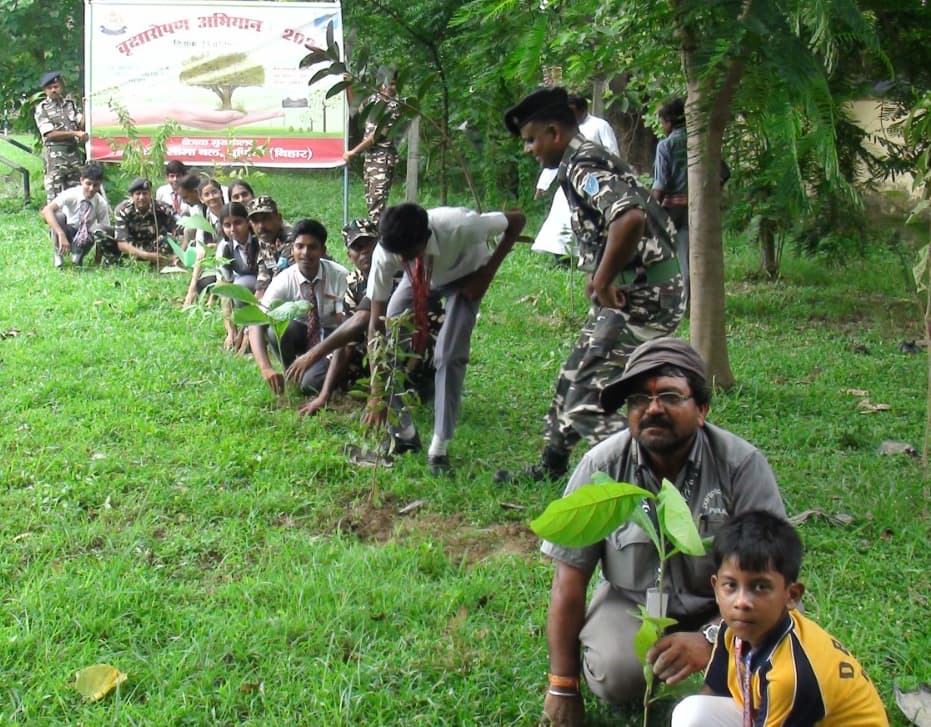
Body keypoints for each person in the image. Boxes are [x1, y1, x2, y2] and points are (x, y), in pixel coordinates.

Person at [537, 337, 786, 726]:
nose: (652, 408)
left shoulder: (741, 466)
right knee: (616, 672)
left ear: (701, 409)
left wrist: (711, 641)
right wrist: (562, 685)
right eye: (639, 398)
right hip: (633, 603)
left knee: (772, 662)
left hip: (727, 609)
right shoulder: (602, 467)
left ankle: (721, 671)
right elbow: (568, 583)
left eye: (670, 395)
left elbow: (772, 579)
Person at [498, 86, 684, 484]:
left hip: (645, 298)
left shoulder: (582, 165)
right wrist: (600, 271)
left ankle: (655, 477)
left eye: (531, 140)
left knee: (586, 399)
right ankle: (551, 466)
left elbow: (629, 218)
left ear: (554, 132)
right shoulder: (579, 160)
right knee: (572, 377)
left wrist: (601, 279)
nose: (529, 149)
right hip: (630, 290)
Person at [671, 511, 889, 727]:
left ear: (791, 595)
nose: (742, 602)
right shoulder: (730, 631)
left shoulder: (791, 675)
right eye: (731, 586)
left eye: (760, 587)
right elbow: (712, 694)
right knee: (692, 713)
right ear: (716, 589)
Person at [362, 203, 526, 474]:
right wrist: (377, 391)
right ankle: (405, 434)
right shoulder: (390, 251)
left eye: (409, 253)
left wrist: (486, 275)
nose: (402, 259)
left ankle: (439, 448)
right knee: (390, 331)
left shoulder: (462, 226)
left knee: (449, 355)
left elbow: (518, 221)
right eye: (399, 256)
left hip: (467, 277)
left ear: (425, 238)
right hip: (420, 279)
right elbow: (375, 323)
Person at [248, 219, 348, 398]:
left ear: (323, 251)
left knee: (309, 386)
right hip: (303, 334)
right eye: (299, 246)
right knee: (275, 330)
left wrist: (315, 356)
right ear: (292, 249)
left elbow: (347, 328)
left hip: (333, 340)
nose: (305, 253)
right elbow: (256, 322)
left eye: (312, 247)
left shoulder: (340, 276)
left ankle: (326, 373)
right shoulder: (283, 280)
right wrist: (266, 368)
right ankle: (291, 371)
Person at [532, 93, 620, 261]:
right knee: (561, 220)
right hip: (568, 181)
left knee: (588, 220)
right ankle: (561, 258)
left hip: (592, 182)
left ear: (582, 110)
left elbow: (613, 154)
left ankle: (589, 257)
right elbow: (557, 156)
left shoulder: (600, 126)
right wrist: (543, 184)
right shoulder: (565, 130)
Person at [343, 66, 402, 225]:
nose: (391, 88)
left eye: (395, 84)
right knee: (372, 204)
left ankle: (379, 244)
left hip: (382, 160)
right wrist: (347, 84)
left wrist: (353, 152)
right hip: (370, 159)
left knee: (377, 209)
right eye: (388, 83)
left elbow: (374, 137)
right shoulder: (374, 101)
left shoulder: (394, 107)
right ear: (380, 84)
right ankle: (375, 242)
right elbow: (355, 108)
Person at [652, 97, 690, 302]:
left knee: (670, 257)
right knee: (688, 254)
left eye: (662, 122)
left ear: (668, 121)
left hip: (672, 210)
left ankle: (676, 300)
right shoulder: (700, 141)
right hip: (695, 208)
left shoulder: (666, 146)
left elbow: (661, 184)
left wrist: (648, 209)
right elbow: (723, 173)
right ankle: (690, 298)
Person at [41, 163, 111, 268]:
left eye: (95, 185)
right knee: (58, 216)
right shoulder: (71, 194)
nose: (91, 189)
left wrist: (97, 260)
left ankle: (77, 257)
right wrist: (61, 234)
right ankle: (58, 254)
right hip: (67, 231)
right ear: (81, 180)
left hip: (85, 236)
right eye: (88, 184)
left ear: (100, 184)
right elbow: (47, 210)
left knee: (99, 230)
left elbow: (104, 232)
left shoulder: (100, 203)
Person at [34, 71, 87, 203]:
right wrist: (75, 133)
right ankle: (55, 223)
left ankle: (73, 224)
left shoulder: (70, 104)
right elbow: (49, 134)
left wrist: (87, 109)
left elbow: (80, 123)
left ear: (60, 87)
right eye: (50, 88)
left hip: (73, 156)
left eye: (56, 87)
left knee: (76, 195)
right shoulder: (42, 108)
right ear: (45, 90)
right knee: (55, 198)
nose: (53, 90)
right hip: (55, 158)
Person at [112, 177, 178, 266]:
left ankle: (161, 264)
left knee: (169, 240)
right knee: (101, 231)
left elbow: (177, 229)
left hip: (154, 246)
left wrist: (177, 254)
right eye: (138, 194)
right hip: (131, 248)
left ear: (150, 194)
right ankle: (115, 262)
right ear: (132, 196)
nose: (141, 197)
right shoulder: (122, 210)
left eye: (145, 193)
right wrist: (147, 256)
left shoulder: (162, 208)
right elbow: (122, 244)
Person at [247, 195, 293, 296]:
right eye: (255, 221)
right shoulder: (265, 238)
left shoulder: (292, 239)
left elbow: (281, 280)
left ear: (279, 218)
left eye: (266, 219)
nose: (261, 226)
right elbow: (263, 277)